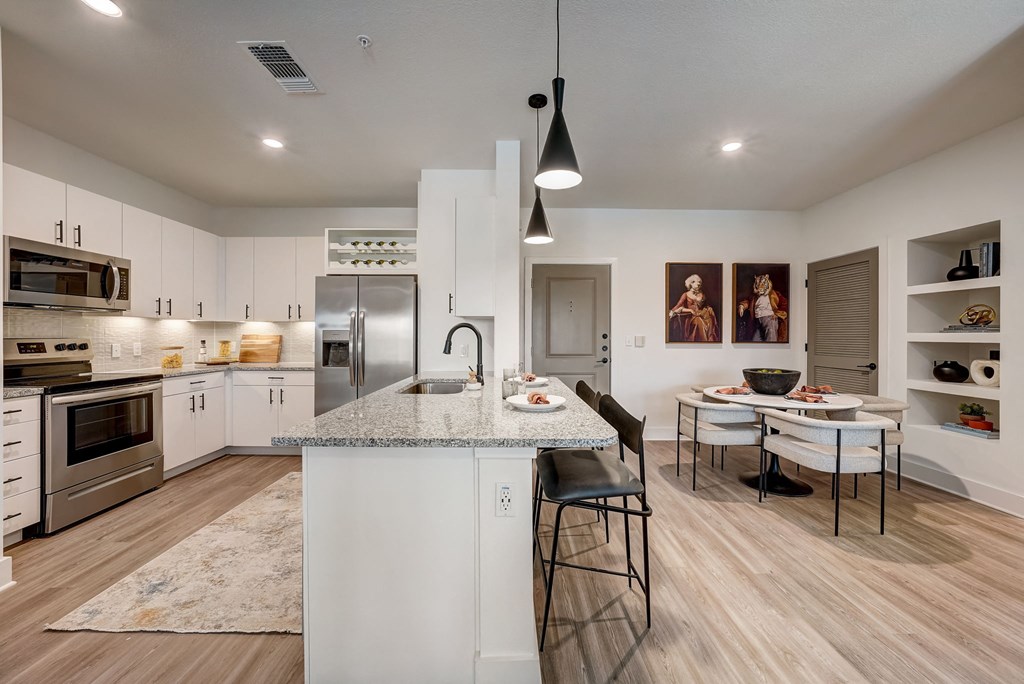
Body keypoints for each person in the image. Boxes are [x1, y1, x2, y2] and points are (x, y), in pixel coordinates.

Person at [737, 273, 788, 342]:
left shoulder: (774, 294)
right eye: (758, 284)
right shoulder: (754, 296)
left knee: (771, 340)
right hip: (757, 321)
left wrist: (777, 314)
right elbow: (748, 302)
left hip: (769, 319)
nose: (760, 286)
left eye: (763, 283)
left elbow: (785, 303)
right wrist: (742, 306)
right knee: (755, 340)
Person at [668, 274, 720, 342]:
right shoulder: (685, 294)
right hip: (691, 316)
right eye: (695, 282)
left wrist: (706, 308)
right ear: (690, 284)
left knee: (709, 319)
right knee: (698, 321)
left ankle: (708, 340)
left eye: (699, 282)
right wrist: (689, 310)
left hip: (702, 313)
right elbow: (678, 305)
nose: (698, 284)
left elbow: (704, 305)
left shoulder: (702, 293)